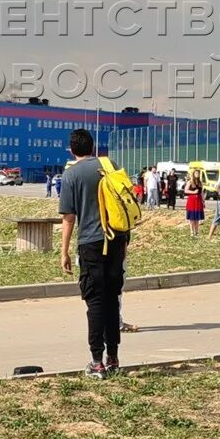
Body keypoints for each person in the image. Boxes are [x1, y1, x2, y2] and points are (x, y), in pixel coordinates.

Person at [60, 128, 126, 379]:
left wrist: (64, 252)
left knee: (95, 300)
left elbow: (68, 218)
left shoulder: (71, 175)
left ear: (71, 149)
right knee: (112, 298)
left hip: (91, 243)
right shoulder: (110, 165)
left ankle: (96, 361)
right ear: (93, 146)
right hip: (117, 239)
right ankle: (113, 357)